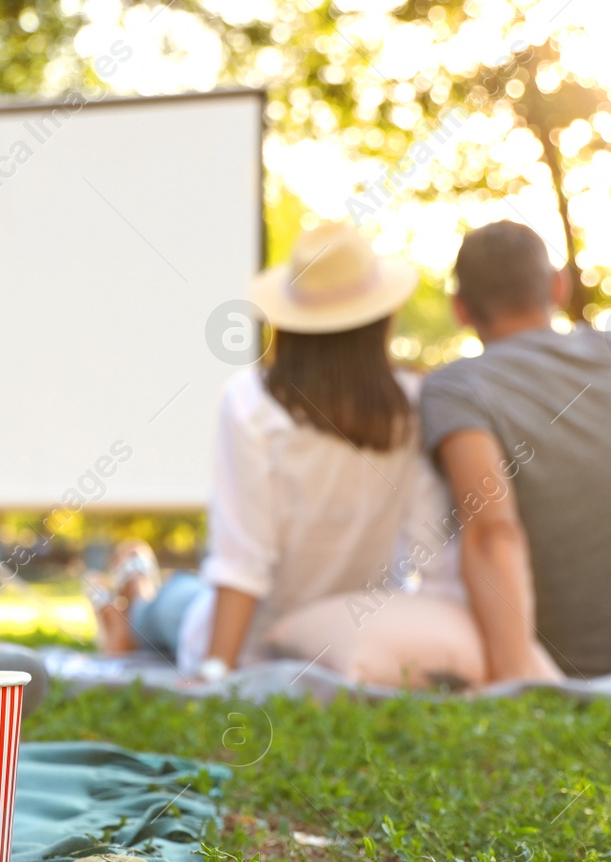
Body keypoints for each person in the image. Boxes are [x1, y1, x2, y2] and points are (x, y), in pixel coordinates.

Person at [93, 221, 501, 689]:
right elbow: (433, 557)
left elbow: (241, 560)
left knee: (179, 601)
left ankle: (135, 596)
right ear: (380, 320)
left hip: (250, 638)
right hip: (355, 632)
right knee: (180, 599)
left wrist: (217, 669)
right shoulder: (412, 404)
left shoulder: (251, 402)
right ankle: (135, 597)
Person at [422, 220, 611, 680]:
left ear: (460, 309)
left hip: (563, 669)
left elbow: (493, 533)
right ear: (558, 286)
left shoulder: (456, 388)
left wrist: (512, 695)